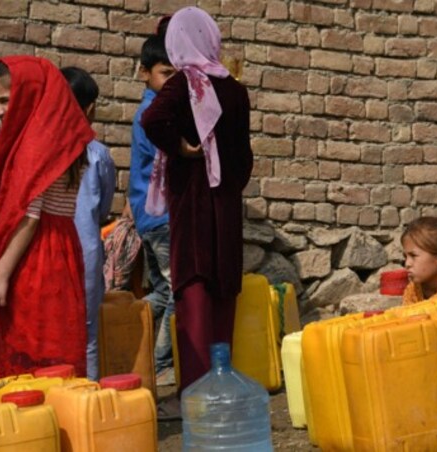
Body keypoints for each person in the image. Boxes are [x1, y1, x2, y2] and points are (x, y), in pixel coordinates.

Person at [141, 6, 253, 401]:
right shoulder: (235, 88)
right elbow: (244, 158)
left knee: (193, 290)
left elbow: (151, 119)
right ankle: (222, 388)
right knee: (222, 290)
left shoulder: (185, 82)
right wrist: (228, 184)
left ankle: (197, 396)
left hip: (192, 203)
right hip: (224, 207)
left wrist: (185, 150)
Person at [0, 57, 93, 383]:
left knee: (29, 353)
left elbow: (30, 216)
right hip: (63, 252)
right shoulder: (65, 139)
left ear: (29, 94)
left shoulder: (36, 144)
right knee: (56, 350)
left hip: (35, 258)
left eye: (5, 101)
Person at [129, 34, 177, 387]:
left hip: (149, 218)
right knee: (179, 292)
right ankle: (160, 363)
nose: (171, 82)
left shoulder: (149, 110)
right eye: (165, 74)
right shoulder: (152, 114)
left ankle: (130, 339)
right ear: (143, 73)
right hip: (161, 218)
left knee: (161, 291)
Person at [62, 66, 117, 381]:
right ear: (90, 108)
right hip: (86, 252)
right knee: (88, 337)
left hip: (50, 254)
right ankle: (88, 409)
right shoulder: (98, 154)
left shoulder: (42, 150)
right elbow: (103, 209)